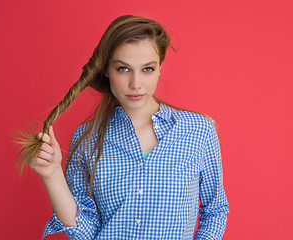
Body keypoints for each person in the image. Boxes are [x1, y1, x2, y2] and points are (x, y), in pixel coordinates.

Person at [16, 15, 229, 240]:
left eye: (147, 69)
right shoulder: (86, 139)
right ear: (107, 70)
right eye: (123, 69)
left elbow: (215, 211)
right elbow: (84, 233)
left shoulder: (198, 131)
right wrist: (52, 175)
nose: (136, 83)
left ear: (159, 68)